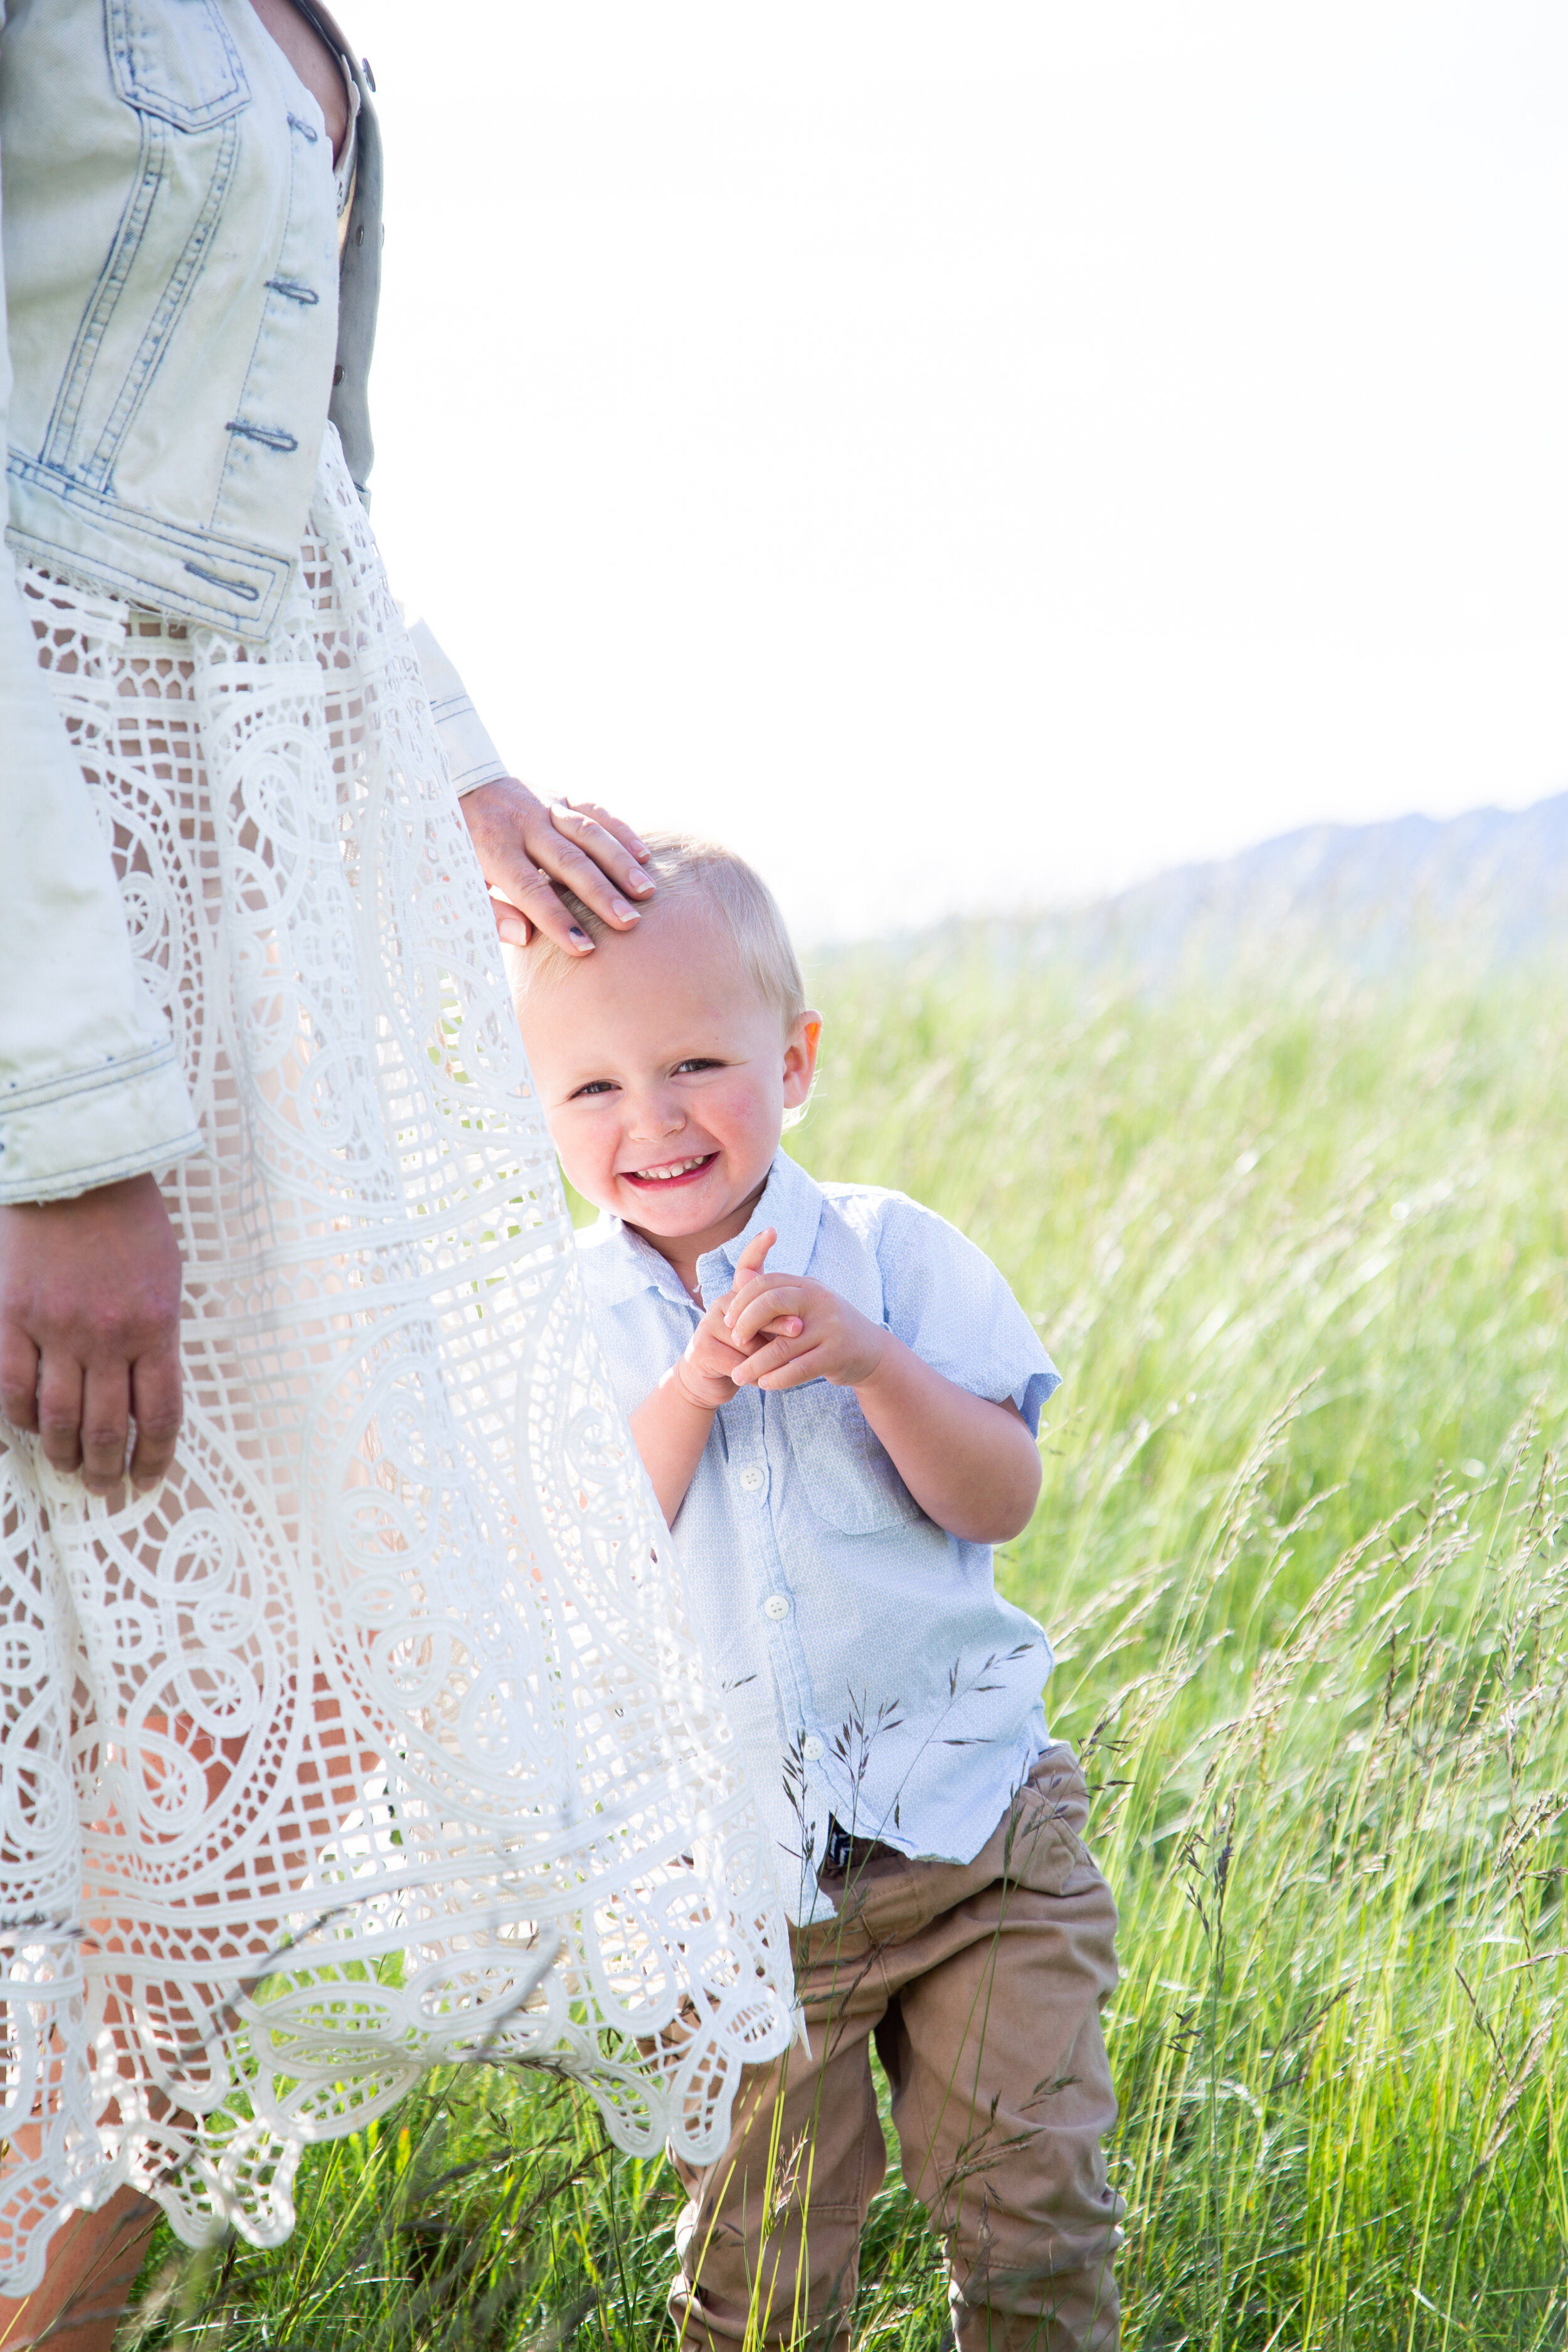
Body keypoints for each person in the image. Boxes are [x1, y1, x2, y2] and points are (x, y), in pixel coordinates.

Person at [0, 4, 789, 2338]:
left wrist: (458, 771)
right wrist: (61, 1134)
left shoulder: (304, 25)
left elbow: (289, 487)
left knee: (235, 1774)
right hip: (53, 901)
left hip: (248, 890)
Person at [512, 836, 1125, 2352]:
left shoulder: (895, 1257)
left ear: (791, 1063)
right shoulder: (565, 1321)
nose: (648, 1121)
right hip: (724, 1890)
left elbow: (1002, 1496)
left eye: (695, 1064)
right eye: (590, 1088)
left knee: (1033, 2216)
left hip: (975, 1834)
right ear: (537, 1113)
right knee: (761, 2280)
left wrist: (870, 1360)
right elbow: (586, 1561)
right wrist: (689, 1394)